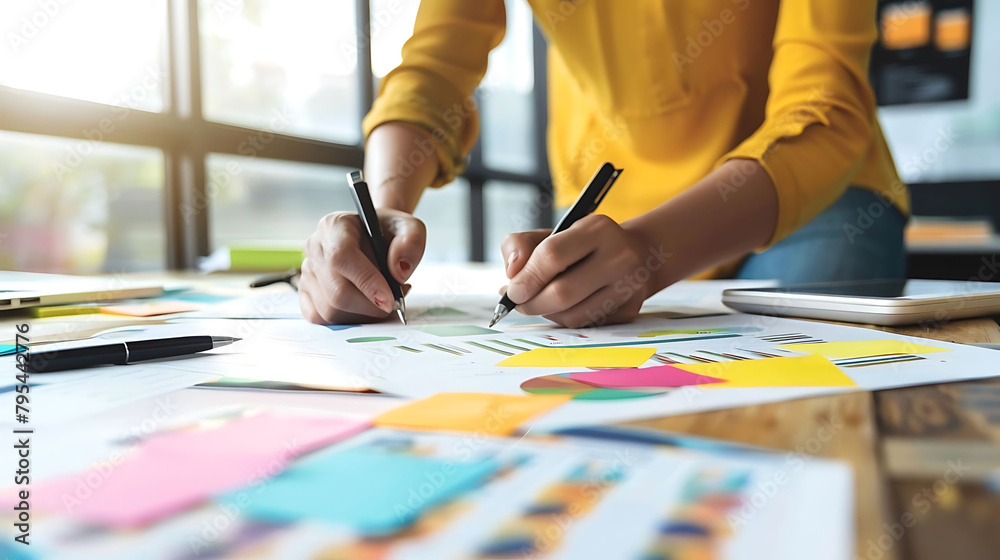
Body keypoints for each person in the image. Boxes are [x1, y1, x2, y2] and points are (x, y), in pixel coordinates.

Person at [299, 0, 908, 328]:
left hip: (815, 192)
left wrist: (651, 251)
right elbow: (433, 72)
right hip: (611, 207)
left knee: (804, 387)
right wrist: (384, 206)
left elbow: (825, 105)